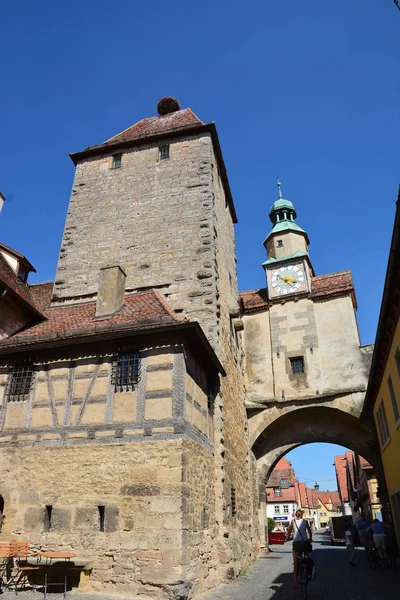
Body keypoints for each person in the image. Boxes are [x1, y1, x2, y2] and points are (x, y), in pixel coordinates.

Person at [287, 509, 313, 589]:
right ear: (301, 515)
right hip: (305, 542)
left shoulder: (293, 521)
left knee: (295, 562)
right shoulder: (305, 522)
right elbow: (309, 531)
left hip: (296, 543)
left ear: (295, 515)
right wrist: (310, 538)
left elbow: (289, 531)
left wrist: (288, 538)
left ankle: (296, 583)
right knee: (306, 558)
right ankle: (308, 573)